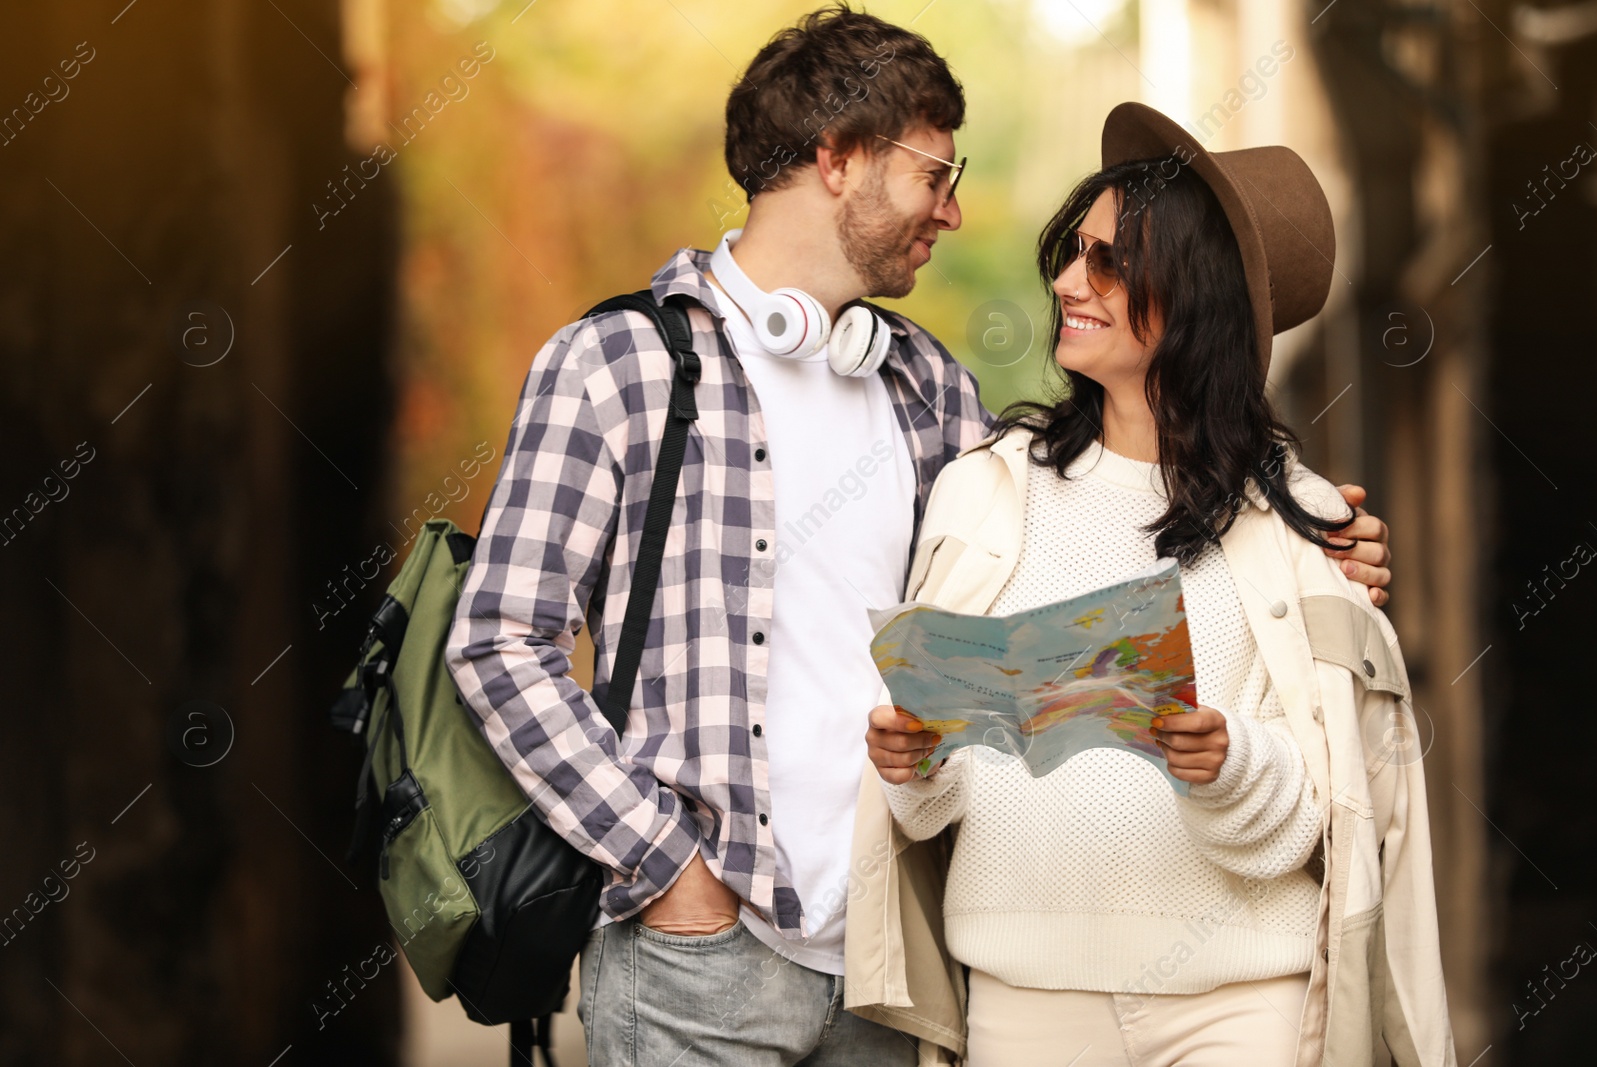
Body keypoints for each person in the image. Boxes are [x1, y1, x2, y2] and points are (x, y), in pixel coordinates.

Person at [444, 7, 1394, 1064]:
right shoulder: (614, 365)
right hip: (693, 961)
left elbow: (1090, 525)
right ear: (838, 157)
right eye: (935, 174)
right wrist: (666, 863)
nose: (952, 208)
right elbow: (497, 642)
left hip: (884, 965)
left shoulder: (926, 386)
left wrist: (1303, 533)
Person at [854, 103, 1453, 1066]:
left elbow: (1318, 816)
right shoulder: (984, 491)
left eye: (1106, 262)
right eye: (1070, 253)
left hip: (1241, 1008)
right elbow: (941, 805)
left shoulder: (1302, 527)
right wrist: (913, 760)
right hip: (1025, 1000)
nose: (1064, 283)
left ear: (1197, 292)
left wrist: (1226, 763)